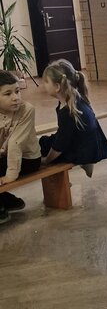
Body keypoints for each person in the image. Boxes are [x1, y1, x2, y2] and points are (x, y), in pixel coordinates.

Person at [40, 59, 107, 173]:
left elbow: (60, 145)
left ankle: (83, 164)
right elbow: (65, 134)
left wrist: (46, 160)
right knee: (44, 141)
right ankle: (86, 163)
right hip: (94, 145)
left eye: (46, 82)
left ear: (57, 87)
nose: (44, 85)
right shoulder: (76, 99)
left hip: (84, 152)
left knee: (43, 147)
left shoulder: (68, 112)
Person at [0, 71, 41, 224]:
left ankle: (2, 209)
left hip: (28, 159)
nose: (15, 97)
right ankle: (9, 201)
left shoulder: (27, 109)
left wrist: (11, 175)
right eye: (8, 94)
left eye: (17, 91)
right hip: (6, 156)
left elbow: (15, 143)